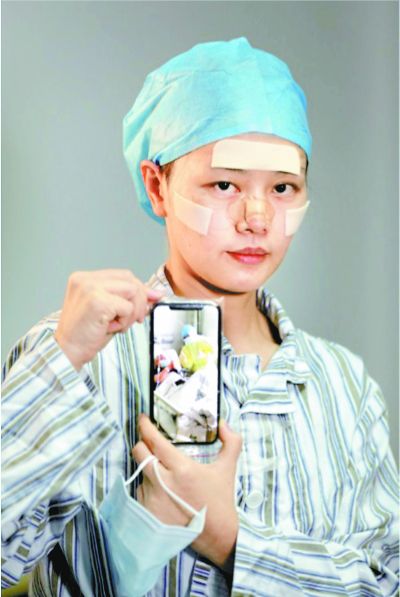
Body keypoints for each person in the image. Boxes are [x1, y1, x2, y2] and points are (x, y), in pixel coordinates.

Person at [2, 38, 398, 596]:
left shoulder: (344, 388)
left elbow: (386, 580)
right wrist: (59, 363)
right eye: (224, 184)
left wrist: (230, 539)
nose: (257, 217)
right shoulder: (78, 358)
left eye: (283, 187)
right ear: (157, 186)